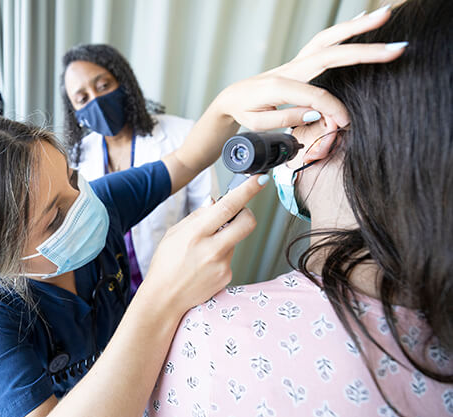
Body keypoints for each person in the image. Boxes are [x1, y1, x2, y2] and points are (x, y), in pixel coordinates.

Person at [0, 6, 406, 417]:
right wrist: (160, 296)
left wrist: (231, 101)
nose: (84, 206)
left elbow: (185, 158)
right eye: (53, 219)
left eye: (72, 181)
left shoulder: (98, 203)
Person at [149, 1, 453, 416]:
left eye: (298, 119)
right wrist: (223, 106)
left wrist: (157, 304)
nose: (289, 131)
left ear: (324, 132)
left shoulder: (214, 337)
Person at [60, 43, 218, 295]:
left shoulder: (184, 135)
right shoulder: (75, 160)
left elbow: (211, 218)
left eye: (103, 86)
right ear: (75, 113)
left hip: (177, 283)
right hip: (109, 293)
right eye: (83, 98)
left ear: (124, 83)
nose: (96, 101)